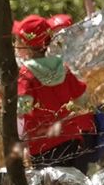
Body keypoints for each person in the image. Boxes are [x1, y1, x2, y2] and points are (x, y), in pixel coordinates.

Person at [14, 14, 98, 174]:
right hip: (72, 140)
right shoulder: (63, 68)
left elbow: (21, 112)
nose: (15, 44)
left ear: (26, 44)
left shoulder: (26, 75)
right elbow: (83, 100)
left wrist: (22, 144)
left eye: (17, 40)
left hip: (42, 146)